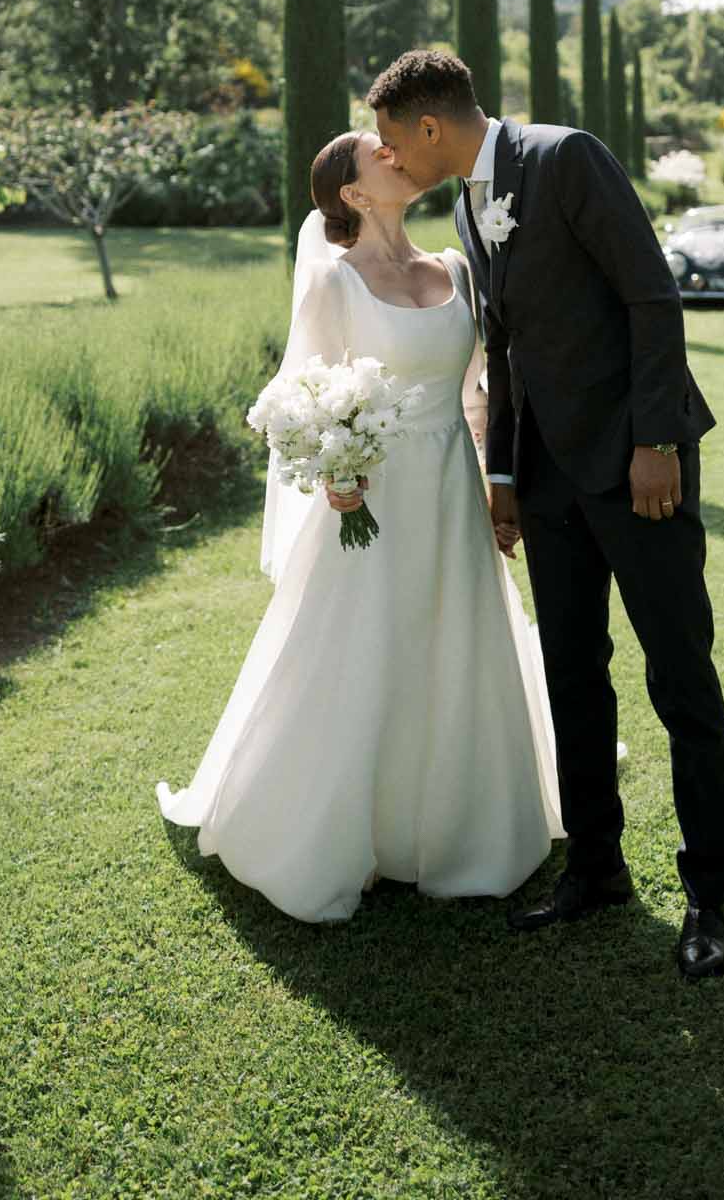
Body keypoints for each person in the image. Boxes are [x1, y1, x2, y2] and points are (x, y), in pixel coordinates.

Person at [368, 49, 724, 979]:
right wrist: (502, 477)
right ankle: (597, 867)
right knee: (572, 673)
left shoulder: (566, 157)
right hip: (545, 480)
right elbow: (501, 349)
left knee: (678, 674)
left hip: (633, 464)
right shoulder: (463, 203)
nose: (386, 157)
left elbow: (650, 295)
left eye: (387, 139)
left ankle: (708, 893)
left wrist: (656, 442)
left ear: (427, 126)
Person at [155, 129, 564, 922]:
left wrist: (496, 479)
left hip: (451, 492)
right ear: (353, 192)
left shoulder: (454, 267)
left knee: (455, 641)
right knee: (363, 649)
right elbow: (294, 403)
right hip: (370, 502)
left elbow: (478, 389)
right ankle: (344, 831)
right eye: (377, 151)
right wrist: (336, 478)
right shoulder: (334, 284)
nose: (396, 151)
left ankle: (459, 831)